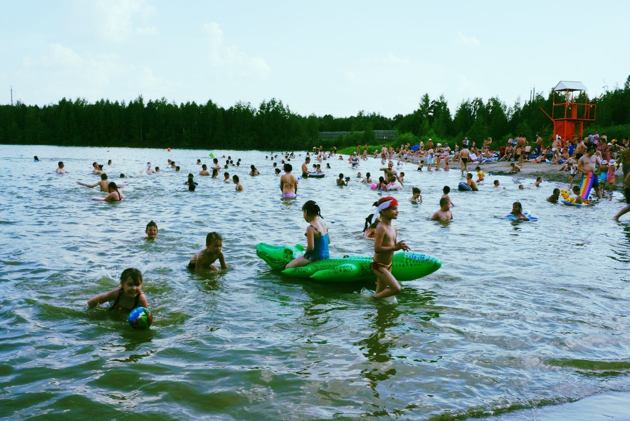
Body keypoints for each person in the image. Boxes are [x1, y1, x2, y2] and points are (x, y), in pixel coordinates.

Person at [370, 197, 409, 299]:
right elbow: (377, 249)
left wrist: (400, 246)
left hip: (388, 265)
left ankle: (376, 307)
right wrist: (395, 247)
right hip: (378, 266)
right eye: (394, 209)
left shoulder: (394, 229)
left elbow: (392, 246)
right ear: (384, 211)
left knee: (380, 295)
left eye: (397, 208)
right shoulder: (381, 228)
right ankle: (371, 300)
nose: (397, 211)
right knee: (396, 288)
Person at [285, 200, 330, 268]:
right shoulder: (323, 223)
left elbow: (311, 248)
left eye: (303, 212)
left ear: (306, 212)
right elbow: (329, 241)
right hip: (327, 255)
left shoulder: (310, 228)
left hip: (316, 257)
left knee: (288, 266)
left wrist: (305, 254)